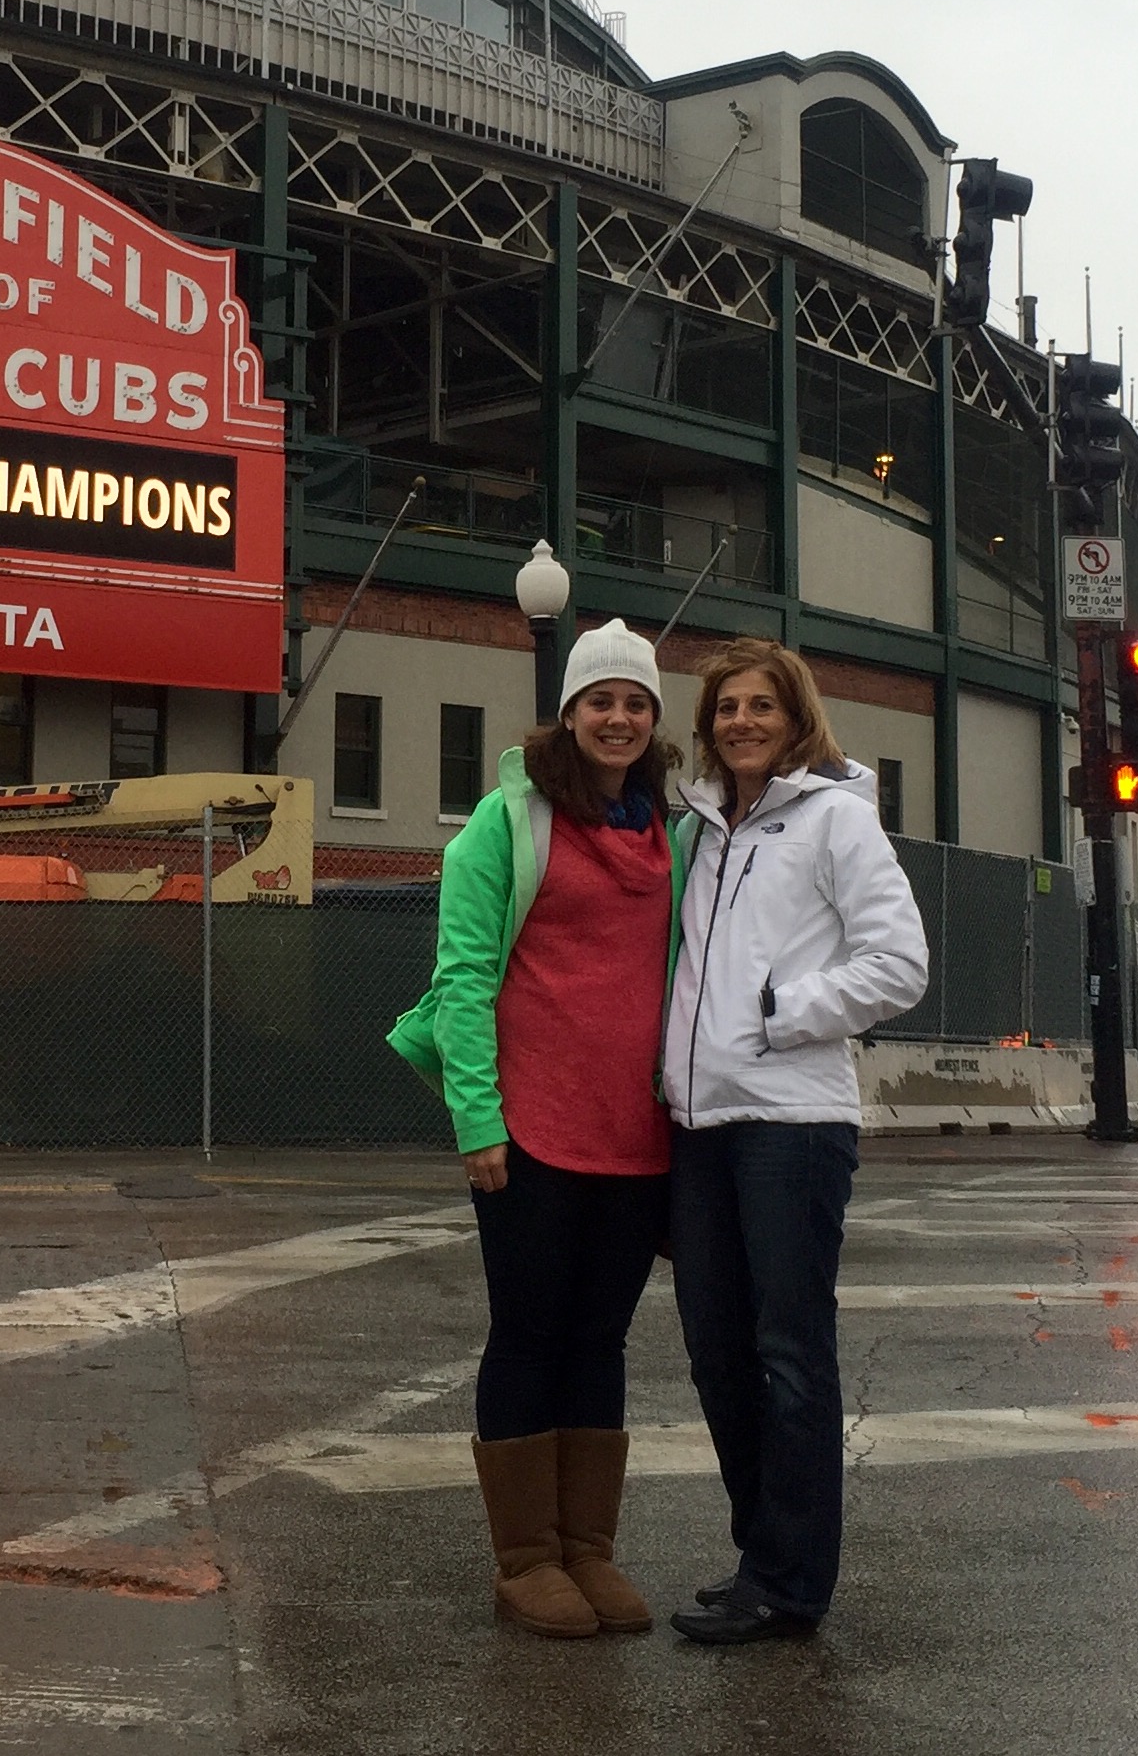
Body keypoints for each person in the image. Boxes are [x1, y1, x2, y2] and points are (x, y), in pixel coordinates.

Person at [389, 617, 688, 1639]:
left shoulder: (668, 830)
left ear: (652, 722)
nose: (617, 716)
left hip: (633, 1135)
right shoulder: (501, 824)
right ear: (567, 712)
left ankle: (587, 1548)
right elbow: (462, 980)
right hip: (529, 1131)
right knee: (528, 1330)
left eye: (634, 702)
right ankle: (524, 1557)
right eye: (599, 699)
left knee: (599, 1337)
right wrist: (477, 1121)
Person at [659, 638, 928, 1645]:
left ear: (794, 716)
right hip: (699, 1124)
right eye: (725, 706)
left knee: (788, 1355)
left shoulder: (833, 822)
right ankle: (758, 1554)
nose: (739, 720)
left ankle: (790, 1581)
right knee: (715, 1353)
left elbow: (898, 963)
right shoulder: (706, 831)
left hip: (791, 1123)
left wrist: (782, 1009)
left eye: (759, 705)